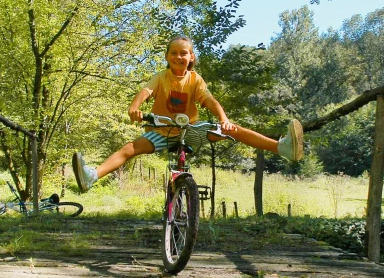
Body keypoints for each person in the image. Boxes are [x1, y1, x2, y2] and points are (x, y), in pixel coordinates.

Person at [72, 35, 304, 192]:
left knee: (233, 131)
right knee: (129, 149)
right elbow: (146, 91)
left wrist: (224, 120)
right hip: (161, 131)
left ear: (191, 57)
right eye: (173, 53)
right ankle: (92, 176)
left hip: (191, 131)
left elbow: (210, 101)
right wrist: (135, 107)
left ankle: (282, 147)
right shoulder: (161, 77)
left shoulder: (195, 80)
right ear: (167, 56)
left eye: (184, 53)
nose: (178, 57)